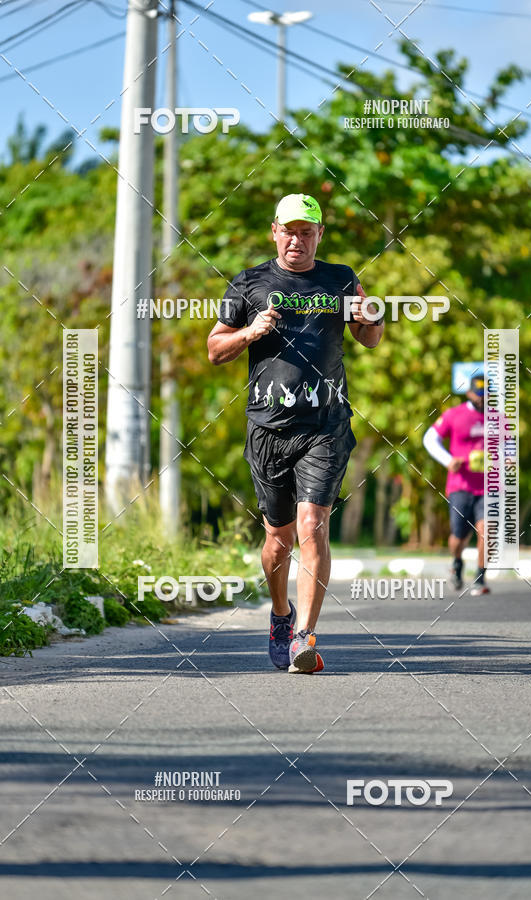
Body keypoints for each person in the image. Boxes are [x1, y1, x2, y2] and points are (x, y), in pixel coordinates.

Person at [207, 193, 383, 672]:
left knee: (312, 525)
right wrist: (249, 333)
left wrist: (372, 317)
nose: (297, 240)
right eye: (289, 230)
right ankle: (281, 614)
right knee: (278, 539)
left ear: (319, 235)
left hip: (325, 425)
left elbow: (368, 338)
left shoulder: (341, 279)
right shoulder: (249, 283)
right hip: (268, 427)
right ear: (274, 232)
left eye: (307, 232)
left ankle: (304, 637)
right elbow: (215, 349)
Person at [423, 373, 490, 596]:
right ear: (469, 392)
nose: (482, 398)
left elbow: (508, 446)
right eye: (478, 394)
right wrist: (448, 460)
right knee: (459, 535)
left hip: (489, 487)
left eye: (486, 394)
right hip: (460, 485)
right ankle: (457, 561)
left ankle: (480, 577)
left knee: (486, 529)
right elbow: (429, 439)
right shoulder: (454, 415)